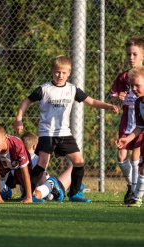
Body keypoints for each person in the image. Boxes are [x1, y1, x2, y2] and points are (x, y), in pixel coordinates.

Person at [13, 55, 120, 202]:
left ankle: (74, 193)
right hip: (47, 133)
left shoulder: (72, 89)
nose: (60, 75)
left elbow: (92, 101)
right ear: (52, 72)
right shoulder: (44, 89)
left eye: (64, 72)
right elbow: (26, 102)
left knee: (79, 161)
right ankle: (28, 194)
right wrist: (19, 119)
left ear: (69, 72)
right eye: (57, 72)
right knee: (42, 163)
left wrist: (108, 106)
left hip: (64, 133)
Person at [110, 36, 144, 204]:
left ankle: (136, 191)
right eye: (129, 54)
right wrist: (118, 97)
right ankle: (132, 186)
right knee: (121, 155)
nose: (131, 57)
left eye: (135, 54)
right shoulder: (124, 77)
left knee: (136, 156)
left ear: (142, 56)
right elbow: (113, 95)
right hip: (129, 120)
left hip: (140, 121)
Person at [0, 122, 33, 203]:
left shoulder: (16, 145)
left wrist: (29, 198)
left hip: (20, 170)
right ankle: (3, 191)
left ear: (5, 137)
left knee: (27, 194)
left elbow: (25, 172)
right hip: (6, 168)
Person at [116, 66, 144, 207]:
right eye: (132, 85)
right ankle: (136, 198)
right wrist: (127, 139)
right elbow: (140, 127)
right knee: (142, 168)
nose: (134, 88)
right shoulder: (139, 102)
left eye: (138, 85)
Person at [20, 131, 73, 202]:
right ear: (35, 146)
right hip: (41, 192)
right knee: (75, 166)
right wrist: (46, 193)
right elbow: (42, 179)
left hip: (25, 191)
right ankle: (55, 183)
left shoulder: (19, 158)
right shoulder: (37, 158)